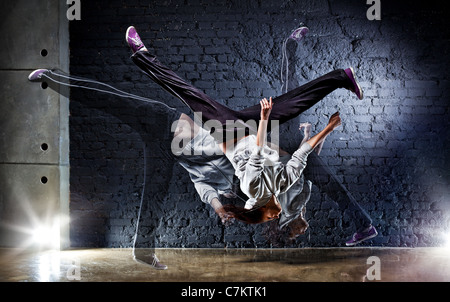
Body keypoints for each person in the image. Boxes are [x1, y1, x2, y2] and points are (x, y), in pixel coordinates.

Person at [125, 26, 364, 222]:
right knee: (291, 105)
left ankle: (141, 55)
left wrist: (263, 118)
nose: (277, 215)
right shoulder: (281, 186)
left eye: (271, 218)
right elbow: (302, 154)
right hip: (248, 127)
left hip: (227, 130)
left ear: (261, 211)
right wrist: (329, 128)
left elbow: (258, 154)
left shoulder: (251, 190)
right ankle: (341, 77)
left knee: (188, 93)